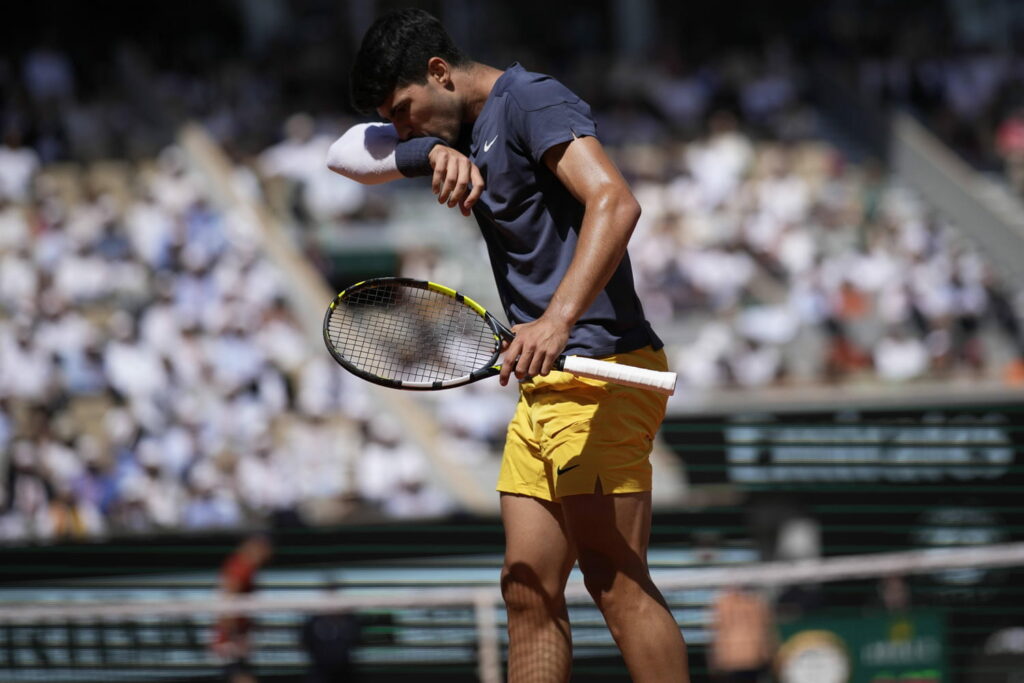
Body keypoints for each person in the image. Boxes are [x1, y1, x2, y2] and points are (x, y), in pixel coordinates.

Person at [328, 9, 689, 682]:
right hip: (545, 386)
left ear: (439, 73)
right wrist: (423, 150)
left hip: (604, 369)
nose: (401, 126)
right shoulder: (451, 128)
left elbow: (616, 202)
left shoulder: (530, 98)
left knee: (614, 581)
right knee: (526, 588)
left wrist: (554, 320)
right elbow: (342, 152)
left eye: (405, 112)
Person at [212, 533, 273, 683]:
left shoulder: (247, 568)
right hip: (231, 641)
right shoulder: (240, 567)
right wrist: (233, 637)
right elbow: (227, 601)